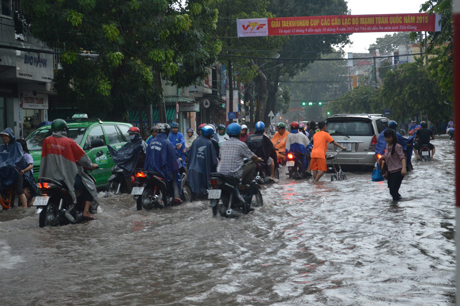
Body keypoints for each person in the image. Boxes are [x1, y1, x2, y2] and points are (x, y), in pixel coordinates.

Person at [40, 119, 99, 219]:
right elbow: (83, 158)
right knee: (89, 185)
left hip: (49, 177)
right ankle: (86, 212)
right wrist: (91, 165)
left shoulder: (46, 141)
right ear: (64, 130)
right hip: (66, 178)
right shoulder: (69, 142)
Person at [144, 123, 182, 203]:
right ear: (167, 132)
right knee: (175, 177)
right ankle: (176, 196)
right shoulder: (167, 143)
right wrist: (179, 160)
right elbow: (173, 156)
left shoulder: (151, 141)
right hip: (161, 170)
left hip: (149, 169)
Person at [0, 128, 29, 208]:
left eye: (6, 136)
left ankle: (25, 210)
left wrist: (12, 165)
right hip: (4, 172)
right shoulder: (2, 147)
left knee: (20, 190)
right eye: (2, 136)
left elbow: (19, 157)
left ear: (10, 136)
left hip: (15, 172)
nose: (4, 138)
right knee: (3, 190)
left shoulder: (17, 145)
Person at [186, 125, 218, 196]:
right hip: (202, 173)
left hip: (191, 171)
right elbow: (213, 161)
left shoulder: (195, 141)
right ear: (210, 135)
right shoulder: (209, 143)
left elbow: (189, 155)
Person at [381, 129, 407, 201]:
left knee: (393, 191)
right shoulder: (387, 146)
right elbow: (388, 157)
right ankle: (397, 204)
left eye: (389, 137)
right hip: (390, 172)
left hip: (398, 171)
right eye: (386, 137)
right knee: (391, 191)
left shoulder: (397, 146)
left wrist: (404, 168)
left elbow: (402, 157)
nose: (387, 139)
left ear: (393, 137)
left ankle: (396, 208)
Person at [17, 139, 37, 206]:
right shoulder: (17, 155)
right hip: (20, 177)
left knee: (25, 192)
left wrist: (24, 170)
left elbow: (30, 166)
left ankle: (32, 199)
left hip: (27, 178)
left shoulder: (27, 155)